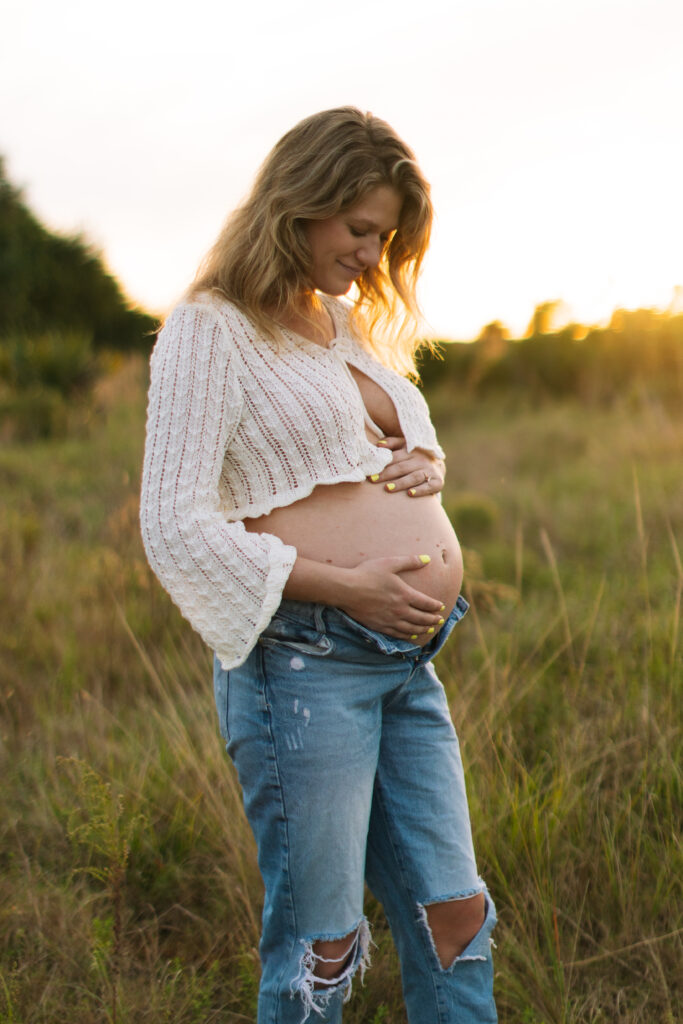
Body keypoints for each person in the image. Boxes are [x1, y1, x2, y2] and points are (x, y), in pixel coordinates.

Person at [140, 107, 497, 1024]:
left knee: (455, 914)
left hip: (406, 663)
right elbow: (173, 523)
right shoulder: (208, 329)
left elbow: (362, 446)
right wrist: (350, 585)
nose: (372, 257)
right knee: (320, 950)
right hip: (305, 666)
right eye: (359, 230)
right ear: (298, 204)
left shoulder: (344, 326)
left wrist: (426, 465)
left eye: (385, 238)